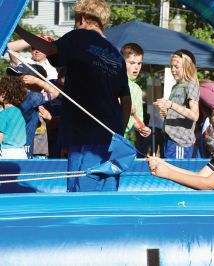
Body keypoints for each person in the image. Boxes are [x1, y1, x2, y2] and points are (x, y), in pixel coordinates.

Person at [13, 0, 131, 192]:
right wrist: (120, 134)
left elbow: (50, 49)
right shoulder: (115, 54)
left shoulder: (79, 36)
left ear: (82, 18)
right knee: (106, 195)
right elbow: (126, 99)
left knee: (80, 196)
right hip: (110, 136)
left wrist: (18, 29)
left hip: (85, 134)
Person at [153, 49, 199, 159]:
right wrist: (166, 112)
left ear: (188, 67)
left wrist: (171, 105)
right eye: (171, 66)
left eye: (176, 67)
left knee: (176, 174)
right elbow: (178, 110)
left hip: (180, 142)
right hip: (169, 139)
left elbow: (194, 115)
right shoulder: (176, 87)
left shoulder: (191, 86)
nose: (173, 70)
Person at [6, 64, 59, 158]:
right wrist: (37, 81)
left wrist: (48, 120)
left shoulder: (14, 97)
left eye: (19, 76)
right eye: (15, 76)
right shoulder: (32, 97)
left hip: (32, 147)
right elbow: (55, 92)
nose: (15, 79)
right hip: (25, 149)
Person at [120, 43, 151, 157]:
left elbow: (137, 120)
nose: (136, 67)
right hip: (103, 135)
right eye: (132, 63)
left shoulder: (137, 90)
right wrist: (124, 105)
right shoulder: (113, 80)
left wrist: (142, 128)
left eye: (139, 63)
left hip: (121, 139)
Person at [0, 76, 28, 159]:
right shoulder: (18, 112)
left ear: (3, 94)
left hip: (6, 153)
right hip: (21, 153)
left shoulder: (4, 113)